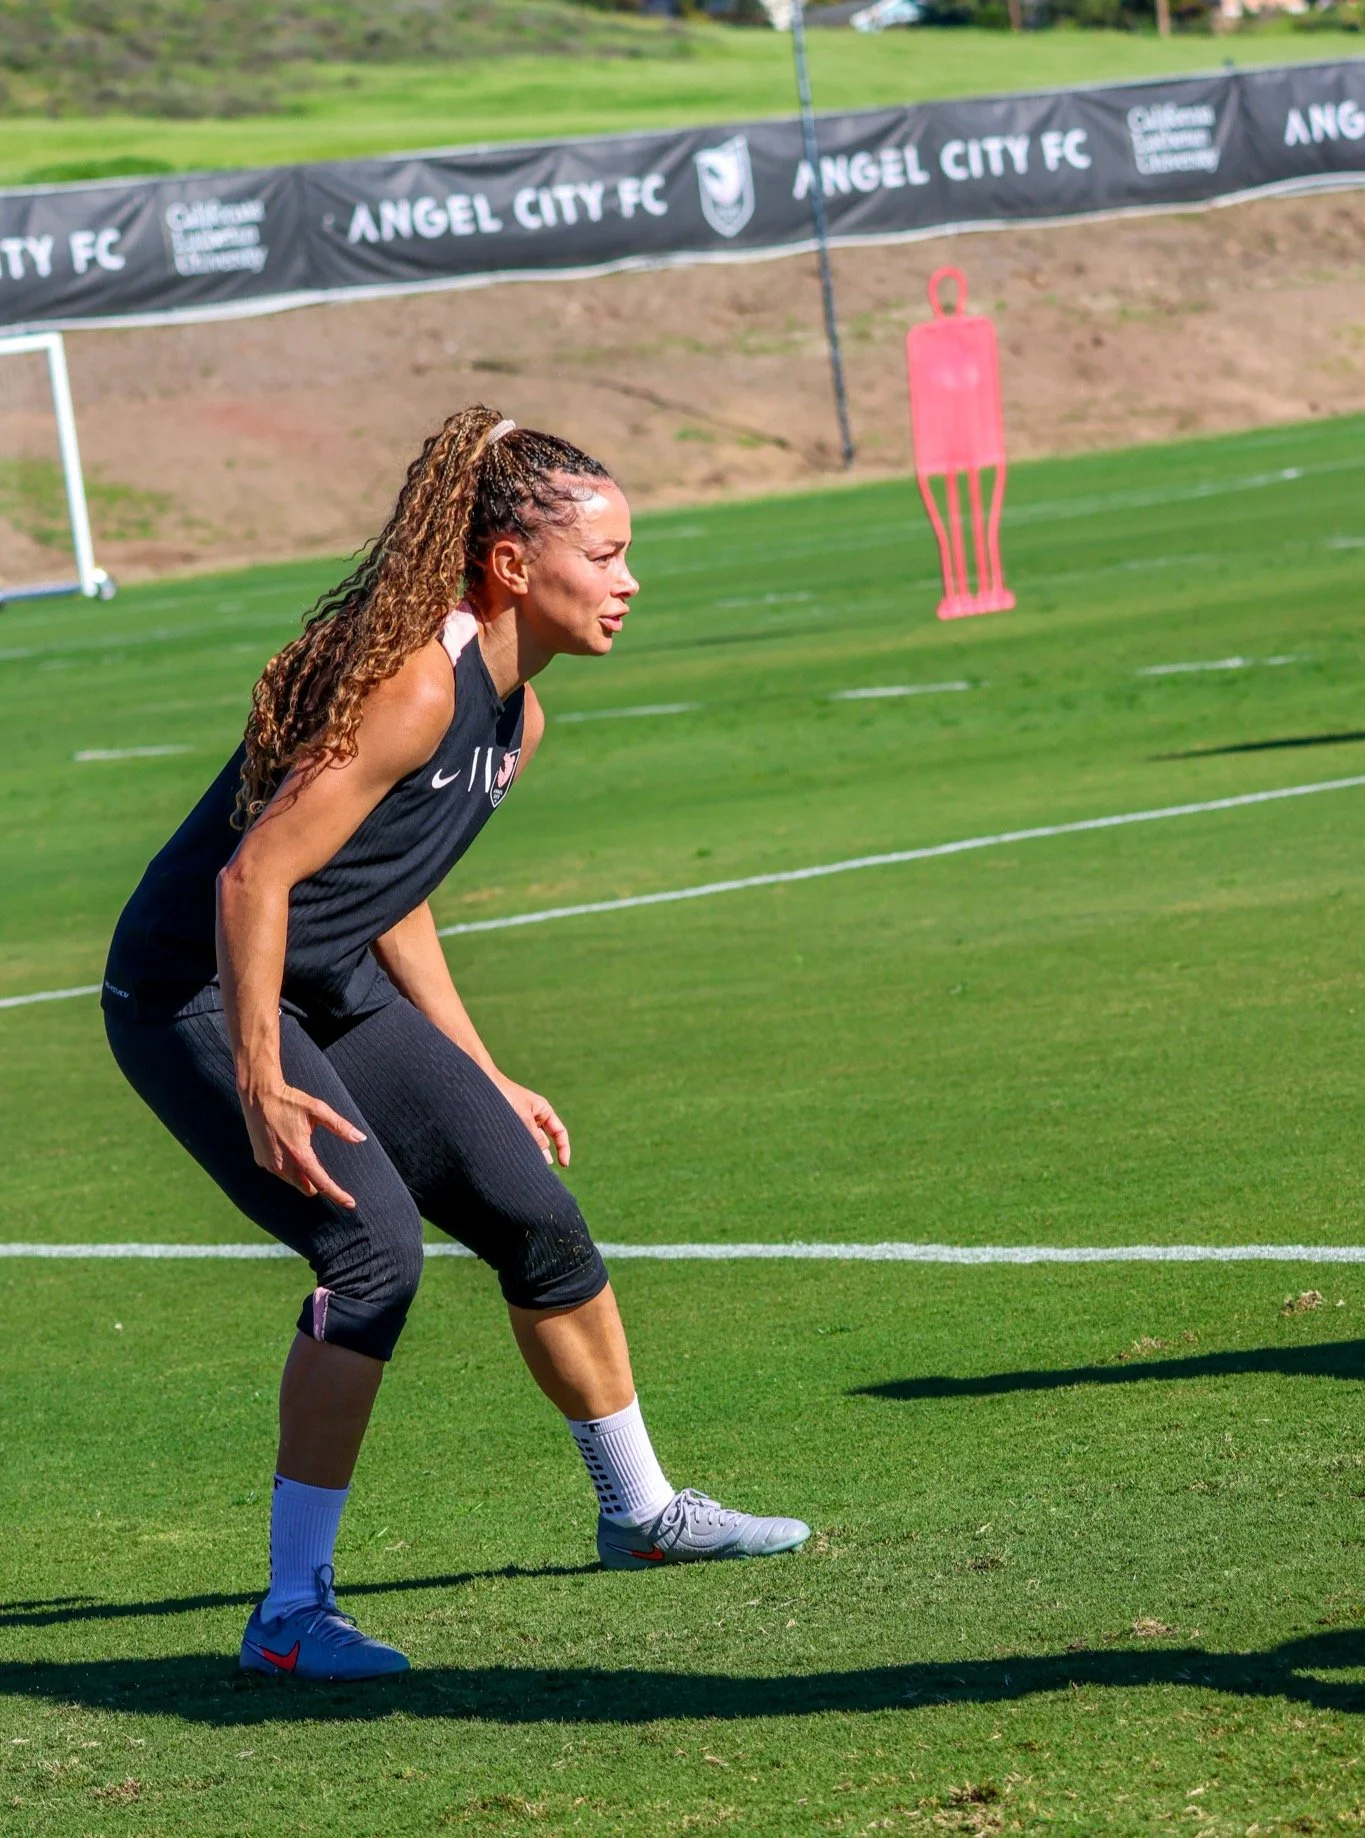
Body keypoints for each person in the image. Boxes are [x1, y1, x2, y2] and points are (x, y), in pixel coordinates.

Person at [101, 407, 809, 1683]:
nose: (629, 579)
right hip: (193, 994)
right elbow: (254, 878)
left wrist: (478, 1068)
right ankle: (289, 1614)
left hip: (332, 981)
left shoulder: (514, 718)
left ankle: (640, 1513)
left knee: (535, 1215)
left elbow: (388, 880)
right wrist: (259, 1076)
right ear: (509, 564)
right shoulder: (419, 681)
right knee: (370, 1249)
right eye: (604, 555)